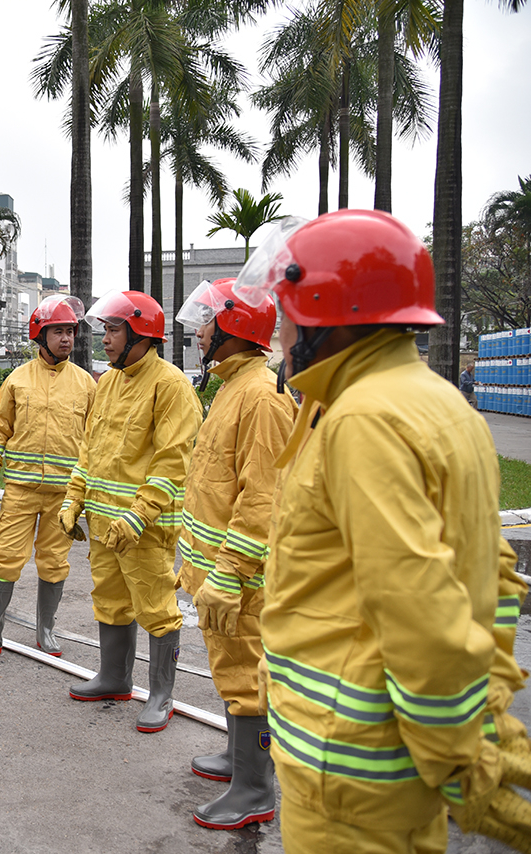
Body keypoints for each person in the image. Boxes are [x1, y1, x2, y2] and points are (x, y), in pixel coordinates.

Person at [235, 209, 531, 853]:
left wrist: (460, 762)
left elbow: (419, 611)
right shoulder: (437, 402)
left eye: (288, 316)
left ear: (325, 314)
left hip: (347, 765)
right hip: (385, 763)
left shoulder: (362, 420)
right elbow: (491, 573)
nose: (281, 333)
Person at [172, 278, 297, 829]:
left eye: (206, 322)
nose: (197, 332)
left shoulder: (261, 397)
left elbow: (262, 497)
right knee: (229, 667)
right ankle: (236, 758)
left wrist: (230, 571)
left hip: (240, 578)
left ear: (232, 327)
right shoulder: (233, 388)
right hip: (218, 572)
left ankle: (254, 789)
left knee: (247, 672)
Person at [58, 289, 202, 732]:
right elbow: (90, 449)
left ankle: (161, 693)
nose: (105, 338)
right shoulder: (109, 383)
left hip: (144, 527)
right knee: (111, 600)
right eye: (105, 329)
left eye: (114, 330)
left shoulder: (170, 385)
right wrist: (73, 497)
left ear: (142, 334)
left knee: (156, 605)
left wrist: (139, 515)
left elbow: (173, 460)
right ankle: (115, 677)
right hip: (103, 523)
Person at [0, 294, 95, 662]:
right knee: (4, 558)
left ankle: (46, 630)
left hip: (63, 495)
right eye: (58, 332)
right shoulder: (17, 381)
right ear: (41, 334)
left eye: (70, 332)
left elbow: (95, 442)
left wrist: (88, 491)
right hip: (20, 490)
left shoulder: (86, 384)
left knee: (54, 562)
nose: (67, 338)